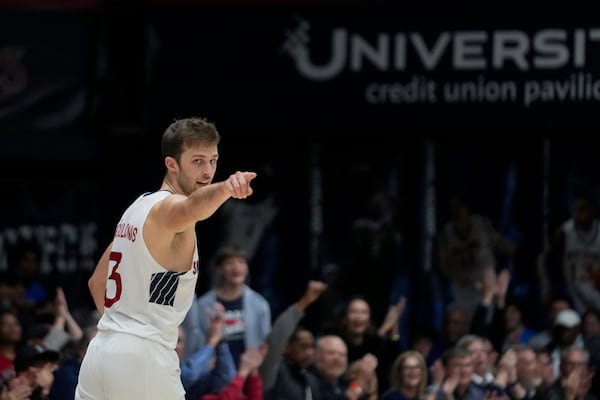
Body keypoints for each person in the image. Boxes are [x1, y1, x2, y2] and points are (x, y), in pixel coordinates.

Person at [75, 116, 258, 400]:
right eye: (197, 161)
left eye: (213, 160)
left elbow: (97, 282)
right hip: (143, 354)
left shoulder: (136, 209)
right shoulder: (170, 209)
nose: (208, 171)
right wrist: (225, 188)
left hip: (102, 352)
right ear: (171, 164)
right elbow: (191, 207)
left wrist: (122, 335)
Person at [182, 244, 271, 369]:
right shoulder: (204, 304)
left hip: (249, 374)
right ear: (219, 269)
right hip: (214, 375)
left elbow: (265, 341)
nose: (236, 268)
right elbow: (196, 341)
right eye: (230, 263)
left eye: (241, 262)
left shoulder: (259, 303)